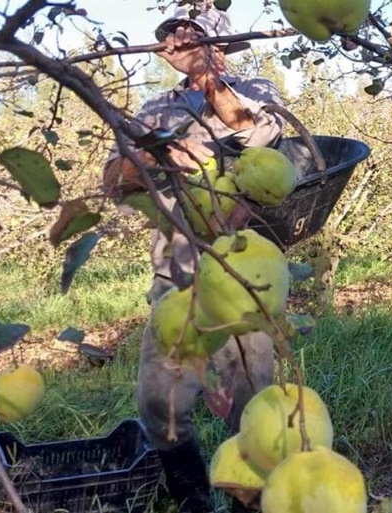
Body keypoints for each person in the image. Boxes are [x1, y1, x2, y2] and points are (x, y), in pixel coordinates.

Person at [101, 2, 286, 511]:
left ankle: (249, 500)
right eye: (175, 32)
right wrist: (158, 154)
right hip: (176, 275)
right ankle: (191, 497)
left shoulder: (255, 91)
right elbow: (114, 179)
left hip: (242, 278)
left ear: (218, 45)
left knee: (251, 406)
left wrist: (206, 78)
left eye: (194, 33)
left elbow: (257, 134)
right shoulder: (155, 109)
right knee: (158, 404)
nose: (180, 40)